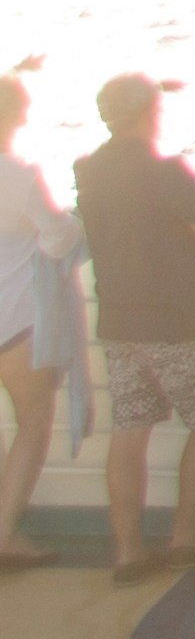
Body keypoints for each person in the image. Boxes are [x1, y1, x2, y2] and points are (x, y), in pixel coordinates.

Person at [72, 71, 195, 580]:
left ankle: (128, 551)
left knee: (130, 429)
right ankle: (185, 534)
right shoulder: (164, 170)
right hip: (180, 324)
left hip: (121, 323)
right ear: (149, 111)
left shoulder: (89, 169)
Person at [0, 73, 83, 574]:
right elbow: (58, 238)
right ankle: (5, 533)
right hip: (16, 320)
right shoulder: (20, 176)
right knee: (33, 422)